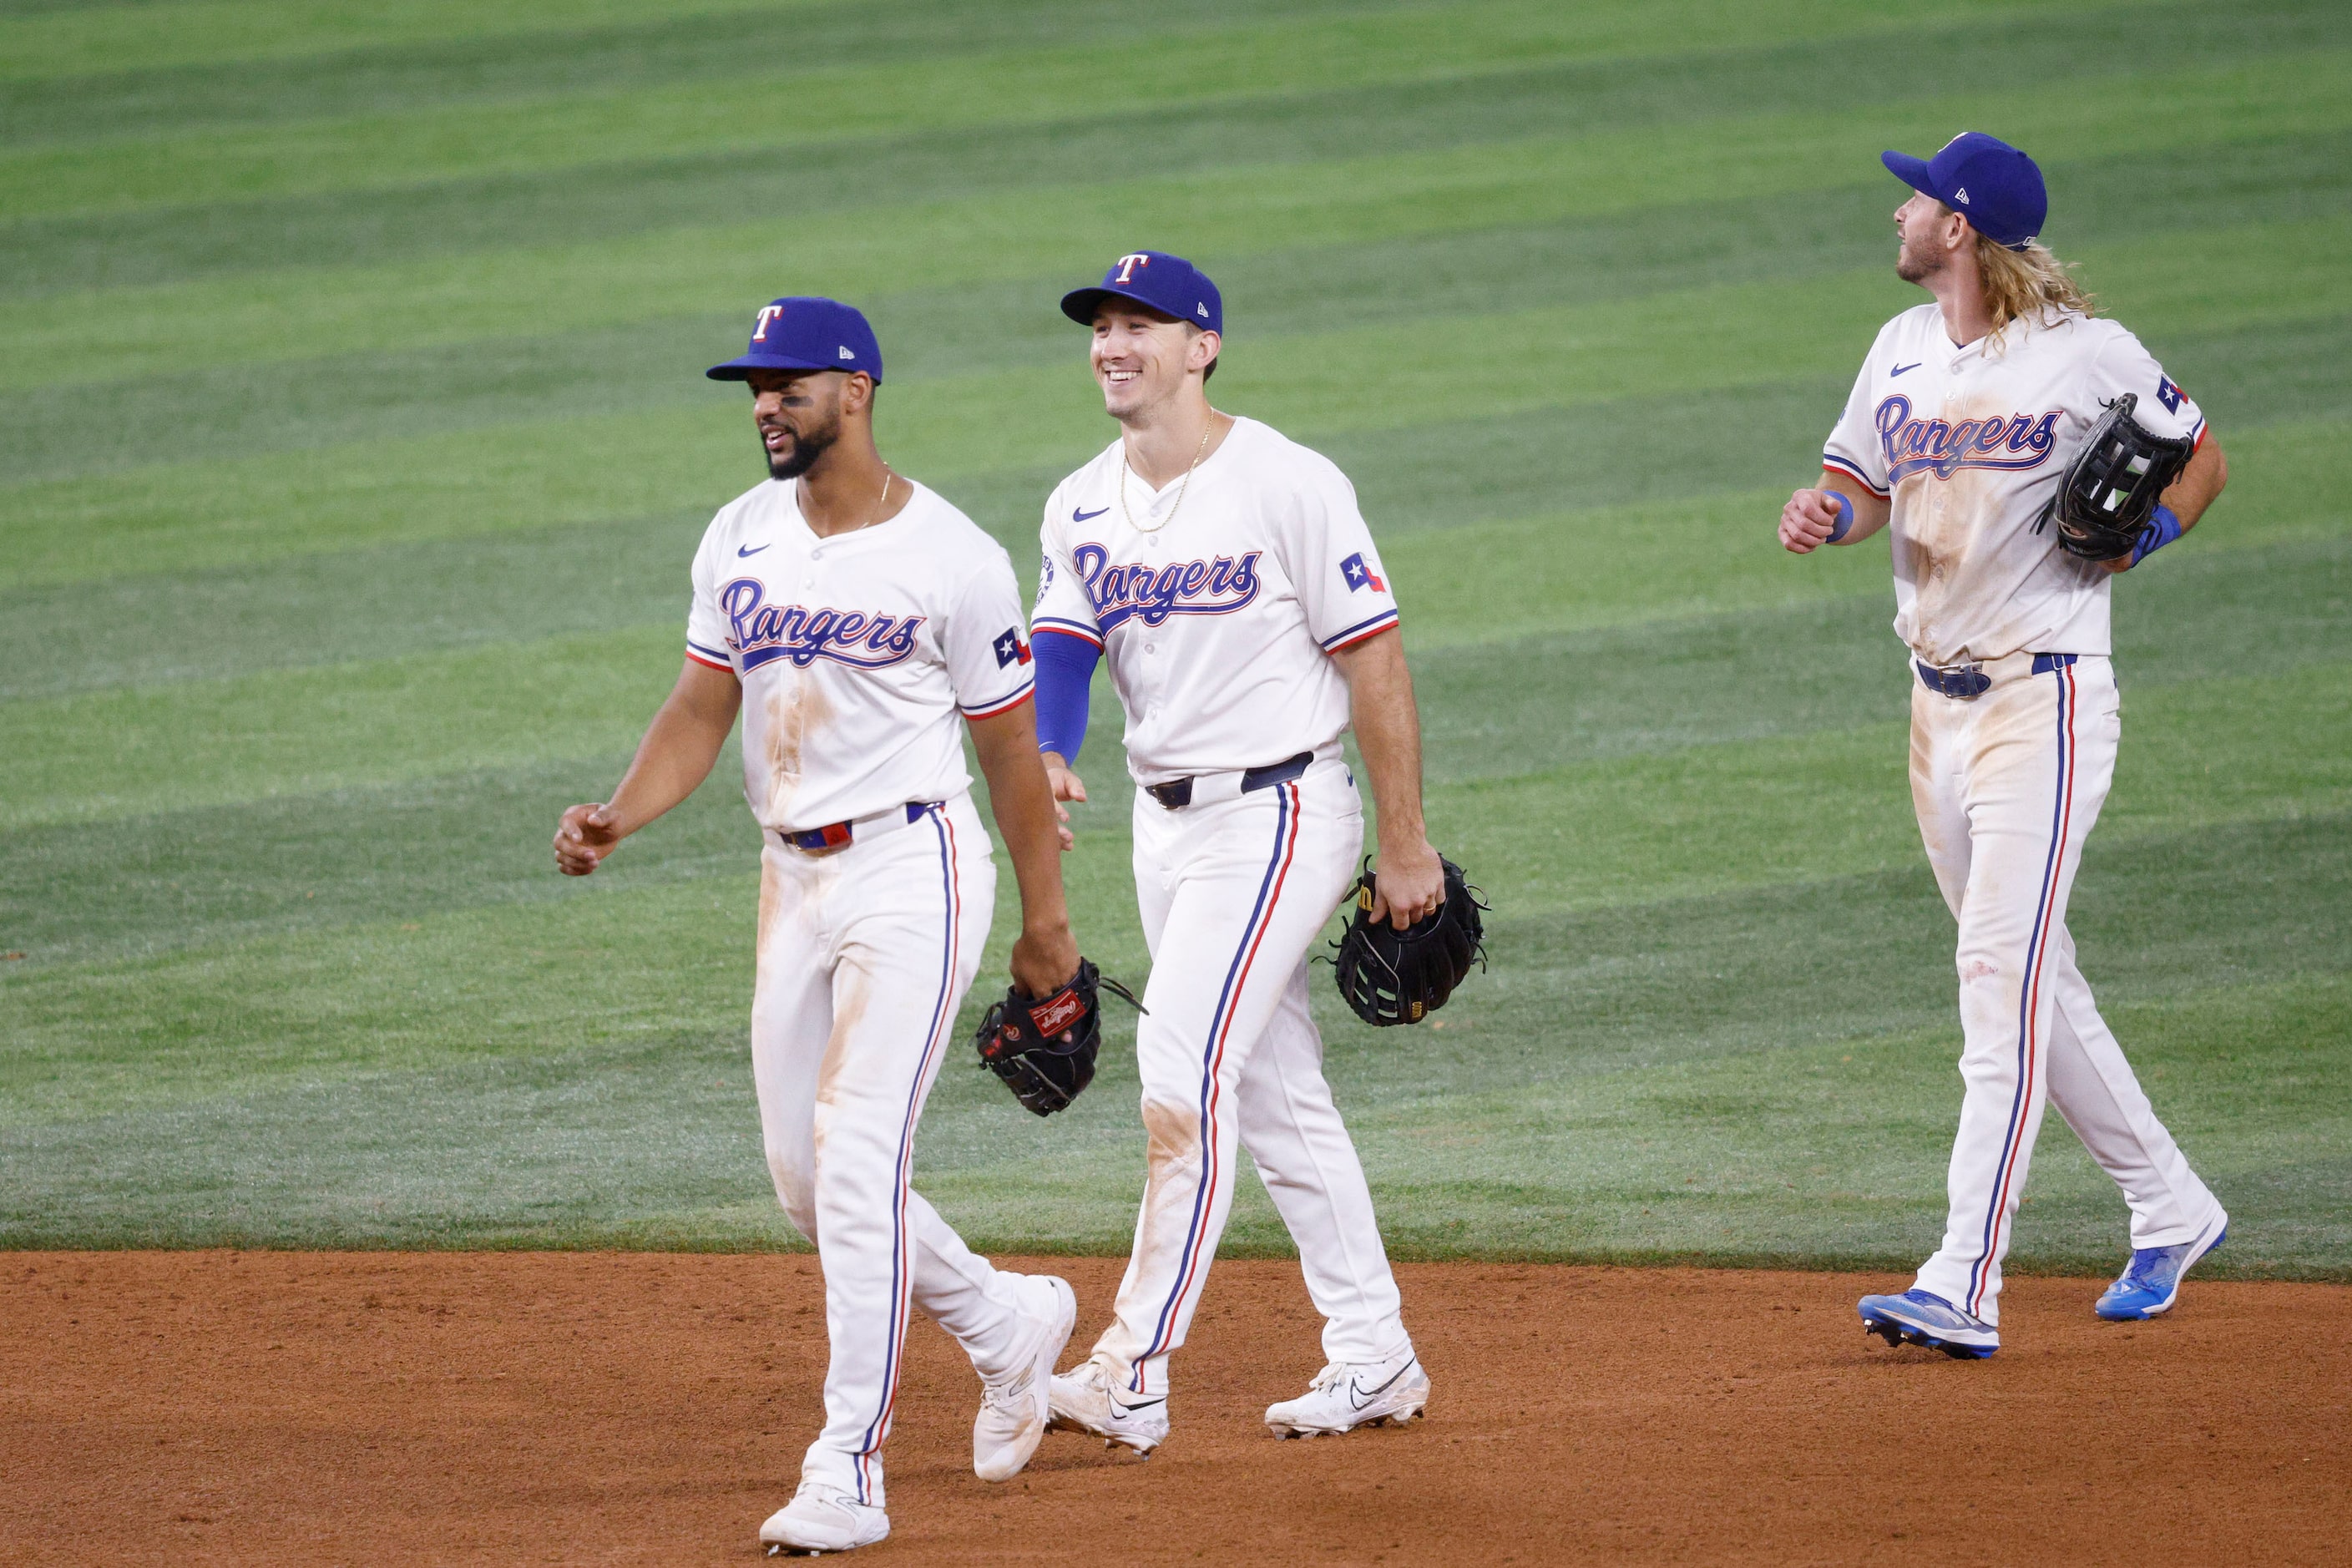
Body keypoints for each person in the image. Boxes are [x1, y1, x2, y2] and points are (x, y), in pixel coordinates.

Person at [553, 296, 1084, 1553]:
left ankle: (847, 1464)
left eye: (788, 383)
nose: (763, 404)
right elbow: (700, 706)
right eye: (753, 385)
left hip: (915, 869)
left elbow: (1010, 752)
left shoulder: (950, 553)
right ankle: (1008, 1325)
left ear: (856, 390)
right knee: (806, 1181)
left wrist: (1046, 925)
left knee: (853, 1155)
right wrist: (620, 814)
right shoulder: (738, 533)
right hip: (788, 882)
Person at [1778, 135, 2231, 1358]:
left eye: (1917, 198)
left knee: (1996, 978)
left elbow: (2199, 455)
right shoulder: (1900, 349)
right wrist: (1827, 513)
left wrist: (2148, 542)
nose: (1898, 209)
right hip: (1932, 710)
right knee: (2035, 975)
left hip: (2046, 704)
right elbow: (1857, 477)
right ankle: (2171, 1205)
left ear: (1961, 227)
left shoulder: (2088, 352)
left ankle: (1962, 1278)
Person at [1028, 251, 1435, 1450]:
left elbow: (1375, 660)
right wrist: (1051, 750)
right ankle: (1374, 1352)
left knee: (1178, 1076)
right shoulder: (1078, 499)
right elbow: (1061, 638)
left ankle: (1131, 1370)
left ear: (1201, 345)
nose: (1111, 343)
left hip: (1281, 813)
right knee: (1270, 1089)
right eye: (1100, 327)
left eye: (1138, 325)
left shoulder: (1286, 482)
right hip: (1165, 830)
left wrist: (1403, 842)